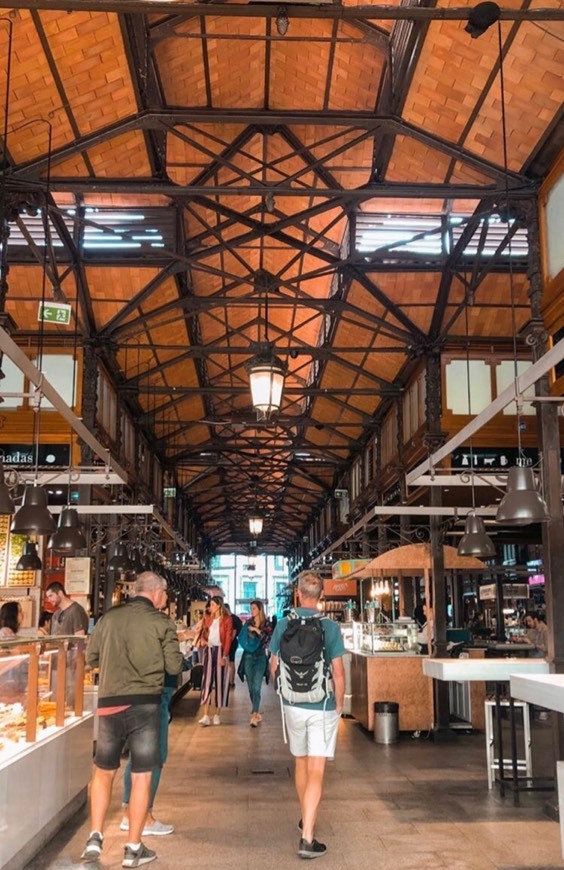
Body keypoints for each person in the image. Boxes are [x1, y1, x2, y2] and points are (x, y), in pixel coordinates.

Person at [81, 571, 183, 868]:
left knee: (103, 772)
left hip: (110, 706)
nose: (166, 598)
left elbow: (91, 658)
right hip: (146, 708)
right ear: (156, 592)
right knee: (142, 775)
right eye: (165, 593)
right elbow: (174, 666)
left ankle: (94, 839)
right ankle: (133, 847)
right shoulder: (162, 622)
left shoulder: (108, 619)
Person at [269, 571, 345, 860]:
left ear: (297, 594)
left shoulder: (283, 624)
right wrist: (338, 704)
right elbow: (338, 672)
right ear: (322, 596)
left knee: (300, 762)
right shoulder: (329, 628)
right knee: (317, 768)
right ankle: (307, 836)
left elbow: (274, 665)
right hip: (321, 705)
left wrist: (282, 692)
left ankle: (306, 815)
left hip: (292, 706)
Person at [198, 596, 232, 726]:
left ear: (218, 605)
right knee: (206, 681)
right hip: (209, 650)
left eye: (212, 604)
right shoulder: (208, 619)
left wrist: (224, 655)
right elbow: (203, 634)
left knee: (220, 682)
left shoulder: (227, 620)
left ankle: (217, 714)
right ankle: (205, 715)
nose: (210, 607)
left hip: (220, 651)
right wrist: (203, 641)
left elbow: (228, 638)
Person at [240, 599, 272, 727]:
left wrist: (256, 630)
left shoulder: (266, 624)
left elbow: (268, 641)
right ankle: (256, 711)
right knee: (250, 688)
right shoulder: (247, 623)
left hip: (260, 657)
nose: (251, 611)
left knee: (256, 686)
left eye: (253, 608)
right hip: (248, 656)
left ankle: (254, 714)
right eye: (250, 608)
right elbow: (242, 638)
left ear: (260, 609)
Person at [224, 603, 242, 687]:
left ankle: (230, 681)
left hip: (231, 642)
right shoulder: (236, 618)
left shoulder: (232, 619)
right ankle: (231, 681)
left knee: (230, 662)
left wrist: (228, 642)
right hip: (234, 642)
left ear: (226, 609)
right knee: (231, 662)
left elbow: (233, 633)